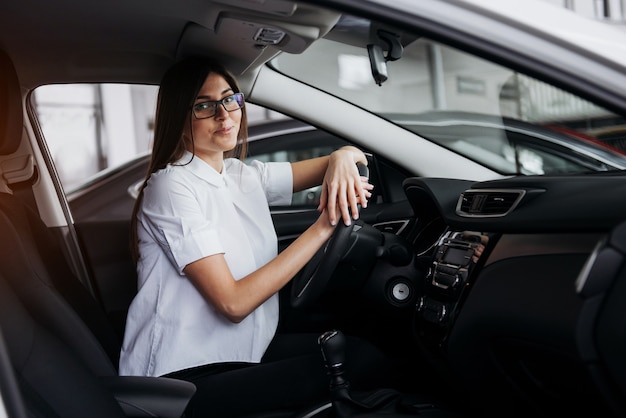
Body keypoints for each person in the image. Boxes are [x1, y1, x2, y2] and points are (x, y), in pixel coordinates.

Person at [118, 57, 394, 417]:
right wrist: (325, 225)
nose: (224, 114)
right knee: (360, 362)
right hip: (182, 377)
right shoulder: (172, 185)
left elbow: (347, 157)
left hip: (240, 352)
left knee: (363, 350)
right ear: (180, 121)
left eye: (230, 99)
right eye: (204, 105)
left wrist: (341, 158)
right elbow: (233, 304)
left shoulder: (239, 175)